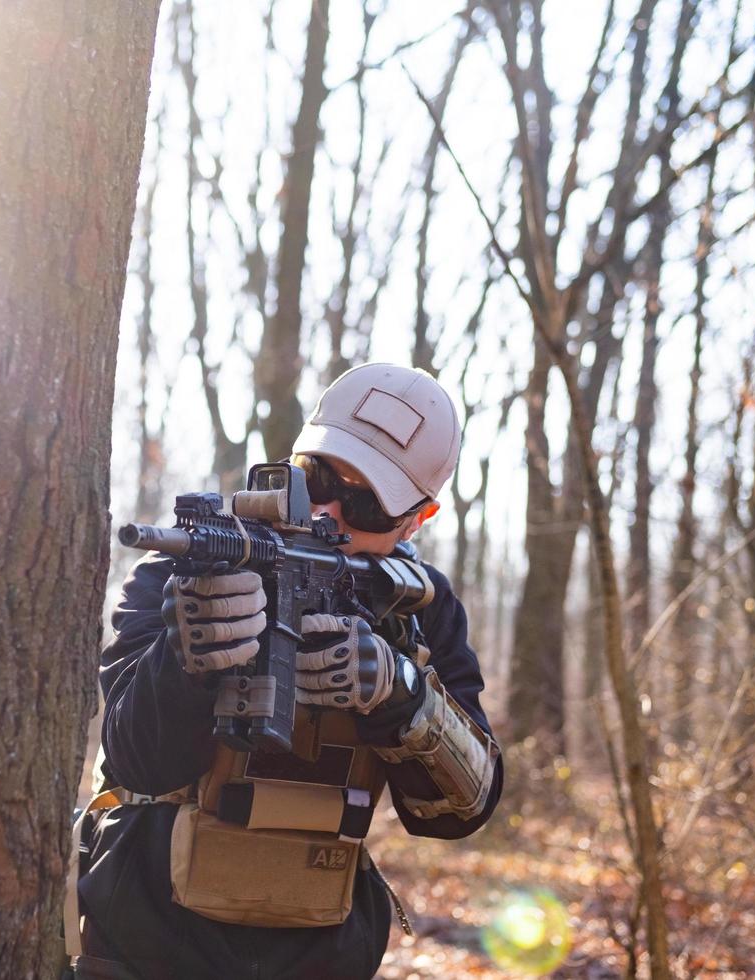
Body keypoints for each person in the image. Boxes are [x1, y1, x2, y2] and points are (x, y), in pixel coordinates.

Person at [70, 363, 503, 980]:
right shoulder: (195, 563)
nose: (328, 509)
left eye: (366, 503)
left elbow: (463, 811)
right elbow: (135, 758)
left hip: (321, 951)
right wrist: (188, 657)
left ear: (419, 518)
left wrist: (400, 697)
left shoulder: (419, 610)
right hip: (145, 939)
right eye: (317, 476)